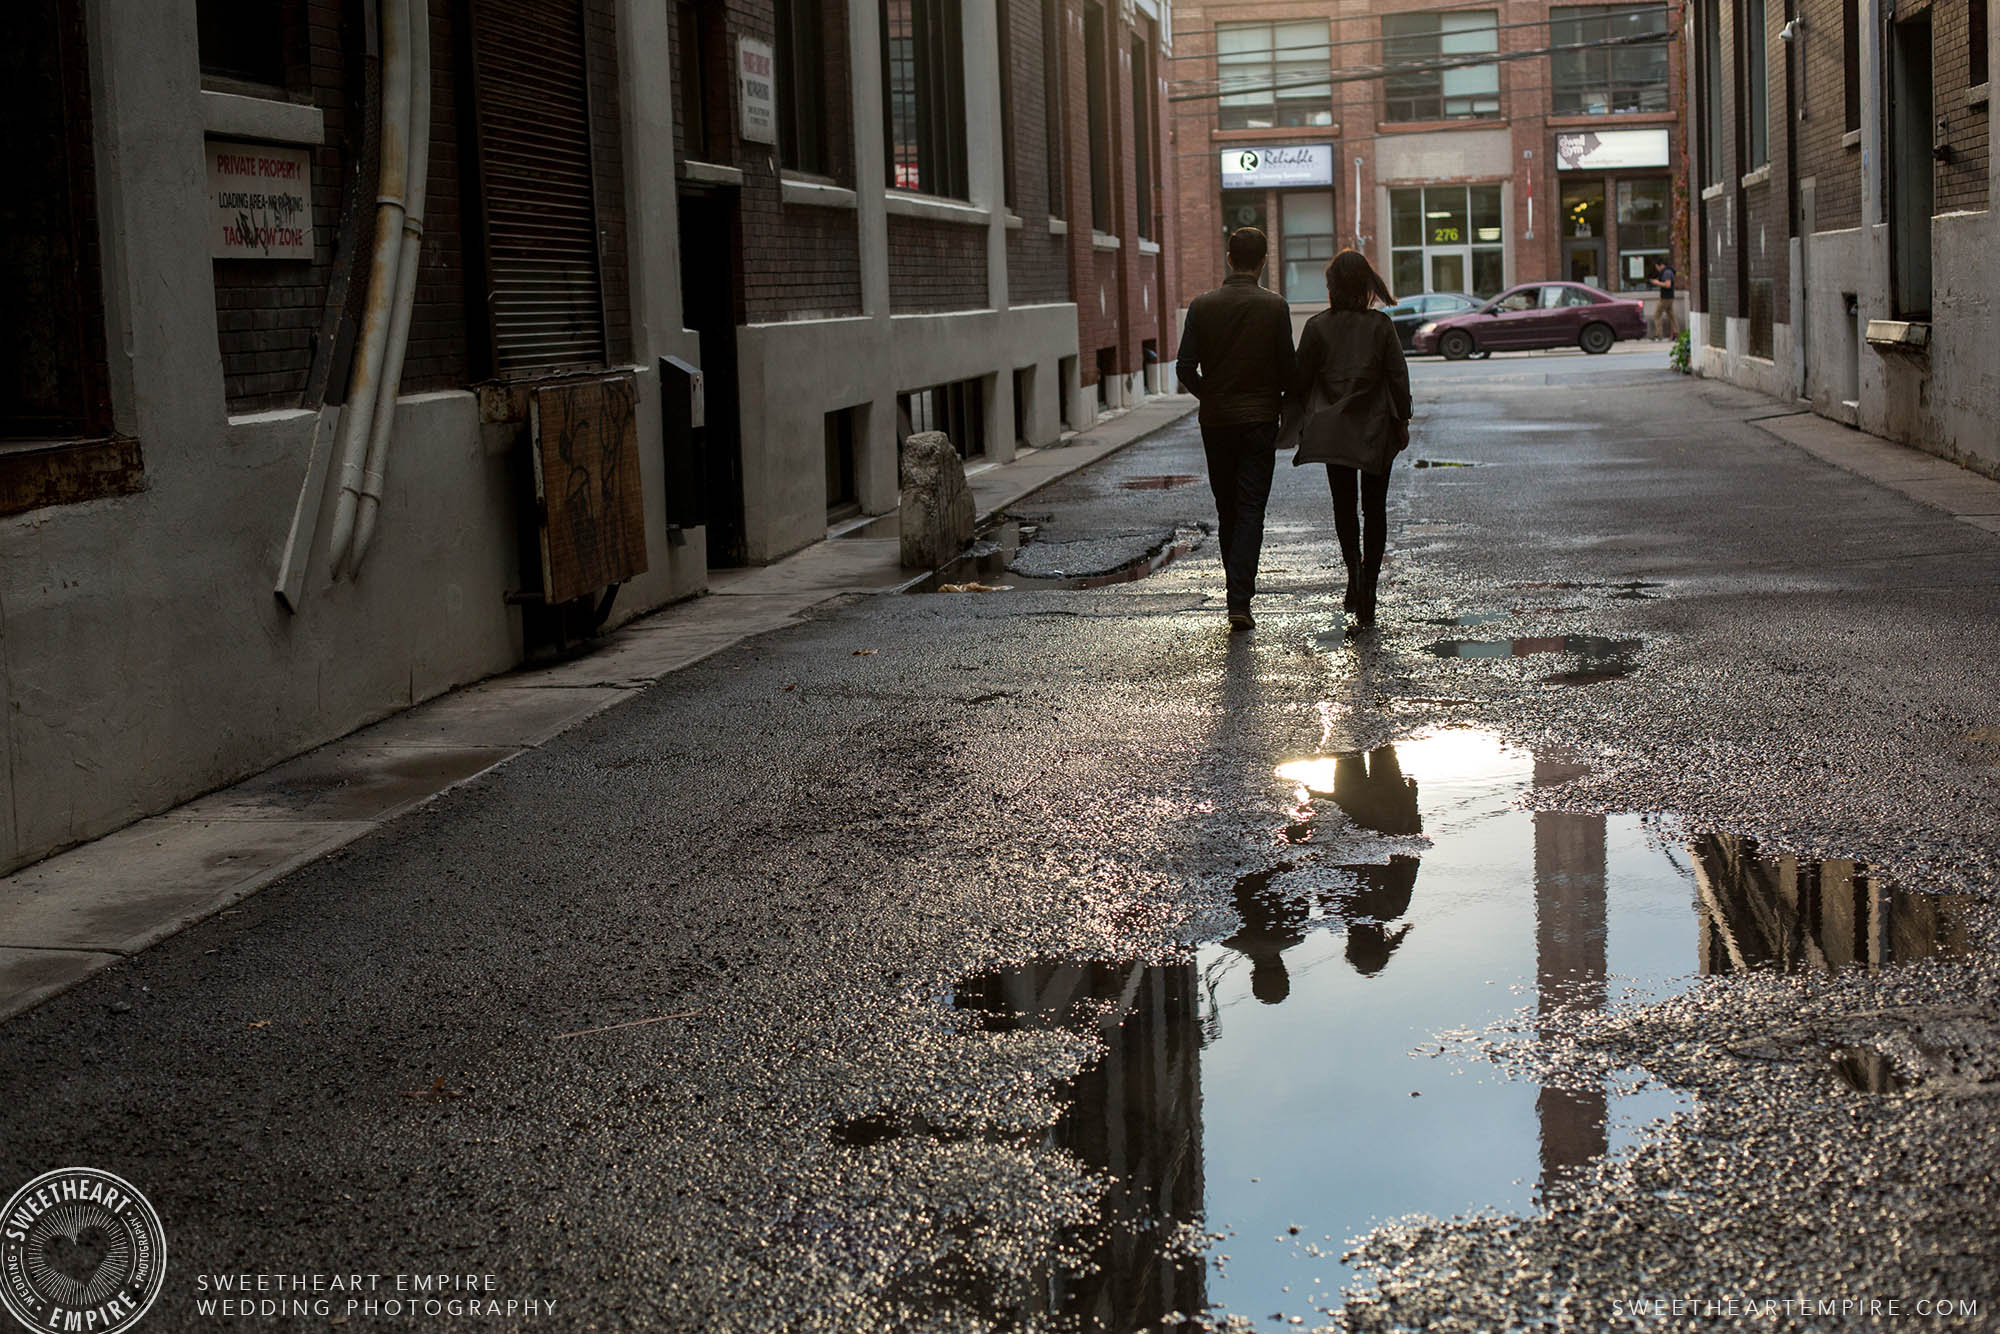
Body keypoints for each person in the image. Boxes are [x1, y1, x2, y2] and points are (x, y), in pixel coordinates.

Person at [1175, 227, 1296, 632]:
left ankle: (1236, 593)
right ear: (1263, 261)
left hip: (1217, 422)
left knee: (1227, 508)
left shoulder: (1202, 306)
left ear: (1229, 258)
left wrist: (1210, 396)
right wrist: (1280, 403)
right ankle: (1238, 598)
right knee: (1250, 510)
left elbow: (1184, 368)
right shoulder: (1275, 307)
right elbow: (1289, 370)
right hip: (1259, 420)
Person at [1286, 249, 1412, 628]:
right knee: (1375, 509)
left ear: (1332, 286)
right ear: (1367, 284)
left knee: (1344, 505)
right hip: (1377, 428)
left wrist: (1294, 421)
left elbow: (1300, 380)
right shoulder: (1380, 326)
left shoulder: (1316, 327)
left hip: (1333, 429)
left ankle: (1353, 577)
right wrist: (1402, 419)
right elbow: (1398, 376)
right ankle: (1369, 585)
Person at [1649, 258, 1678, 339]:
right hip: (1669, 297)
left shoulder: (1667, 273)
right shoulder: (1668, 271)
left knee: (1657, 315)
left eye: (1657, 267)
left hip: (1665, 298)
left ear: (1661, 265)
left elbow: (1668, 285)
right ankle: (1676, 334)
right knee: (1671, 316)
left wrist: (1656, 282)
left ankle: (1658, 335)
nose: (1657, 269)